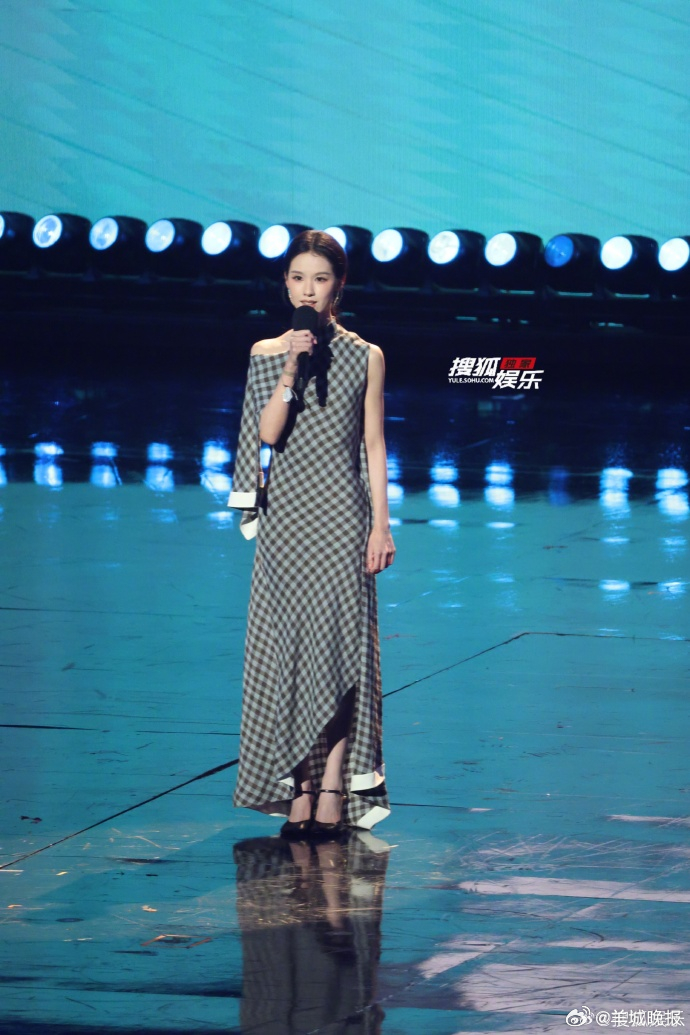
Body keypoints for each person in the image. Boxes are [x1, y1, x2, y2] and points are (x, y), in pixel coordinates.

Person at [228, 229, 395, 837]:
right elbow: (267, 434)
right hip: (288, 523)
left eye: (320, 279)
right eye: (298, 278)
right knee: (290, 656)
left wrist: (381, 525)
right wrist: (293, 364)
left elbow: (373, 445)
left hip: (344, 517)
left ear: (338, 287)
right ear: (286, 285)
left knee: (341, 655)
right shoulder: (267, 352)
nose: (308, 290)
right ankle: (297, 785)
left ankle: (331, 787)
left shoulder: (366, 355)